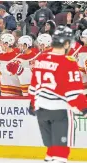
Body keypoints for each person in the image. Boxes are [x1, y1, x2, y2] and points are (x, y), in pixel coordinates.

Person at [28, 26, 87, 163]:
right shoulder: (68, 63)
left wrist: (32, 104)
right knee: (60, 152)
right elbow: (74, 94)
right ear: (66, 43)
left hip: (41, 111)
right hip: (59, 111)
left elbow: (33, 88)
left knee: (51, 151)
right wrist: (84, 109)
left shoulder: (41, 59)